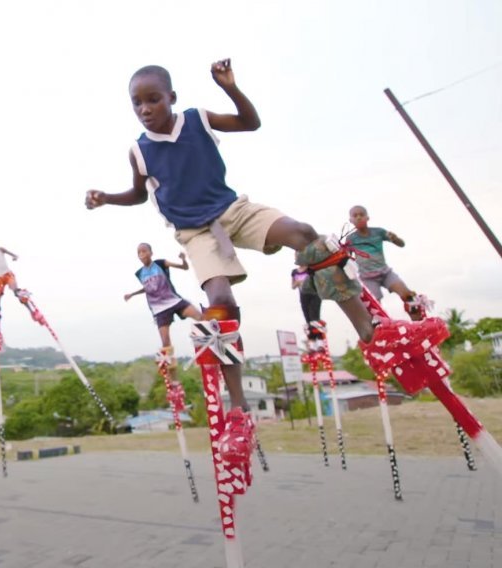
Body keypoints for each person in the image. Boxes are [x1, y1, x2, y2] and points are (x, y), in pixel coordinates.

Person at [85, 59, 443, 464]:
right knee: (219, 306)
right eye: (137, 103)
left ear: (171, 98)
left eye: (153, 99)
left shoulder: (198, 119)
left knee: (306, 236)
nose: (146, 109)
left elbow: (249, 123)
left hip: (234, 210)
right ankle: (238, 412)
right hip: (195, 232)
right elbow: (137, 194)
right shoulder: (139, 150)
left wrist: (231, 87)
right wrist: (105, 198)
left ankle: (370, 331)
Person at [124, 243, 203, 377]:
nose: (142, 254)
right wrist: (132, 294)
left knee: (199, 316)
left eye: (144, 251)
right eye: (139, 252)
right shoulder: (140, 273)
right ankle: (174, 380)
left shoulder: (160, 264)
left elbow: (184, 267)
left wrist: (183, 259)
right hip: (159, 309)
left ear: (151, 253)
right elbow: (147, 287)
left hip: (174, 301)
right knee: (166, 344)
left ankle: (211, 349)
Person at [346, 205, 425, 320]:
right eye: (355, 215)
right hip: (367, 278)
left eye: (361, 215)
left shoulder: (378, 232)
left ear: (367, 217)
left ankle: (419, 324)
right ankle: (381, 330)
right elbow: (346, 259)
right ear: (351, 220)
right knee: (373, 309)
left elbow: (401, 244)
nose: (358, 217)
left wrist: (395, 238)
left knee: (409, 297)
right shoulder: (351, 239)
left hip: (385, 273)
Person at [291, 266, 326, 351]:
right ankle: (312, 343)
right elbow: (293, 286)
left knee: (315, 318)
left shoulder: (311, 268)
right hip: (303, 296)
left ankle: (320, 342)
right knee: (308, 320)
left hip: (314, 294)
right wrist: (298, 282)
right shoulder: (294, 272)